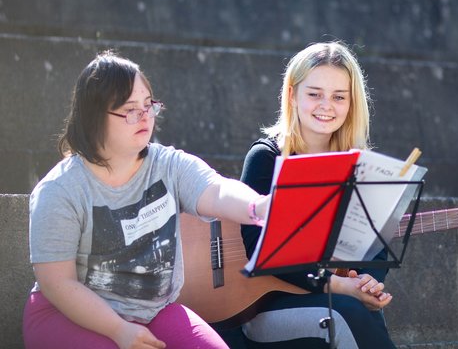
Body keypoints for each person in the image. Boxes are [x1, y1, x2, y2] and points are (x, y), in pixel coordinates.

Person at [22, 50, 270, 349]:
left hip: (152, 311)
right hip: (67, 314)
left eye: (148, 105)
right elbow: (57, 284)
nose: (144, 116)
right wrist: (118, 330)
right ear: (94, 117)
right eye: (130, 110)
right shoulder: (60, 190)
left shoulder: (167, 164)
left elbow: (216, 190)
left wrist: (257, 207)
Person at [238, 42, 396, 348]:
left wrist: (365, 283)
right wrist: (342, 287)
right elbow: (257, 249)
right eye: (314, 94)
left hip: (335, 299)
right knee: (346, 311)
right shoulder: (266, 157)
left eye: (339, 97)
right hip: (264, 303)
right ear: (292, 95)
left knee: (356, 311)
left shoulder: (362, 167)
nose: (327, 105)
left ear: (352, 103)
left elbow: (373, 250)